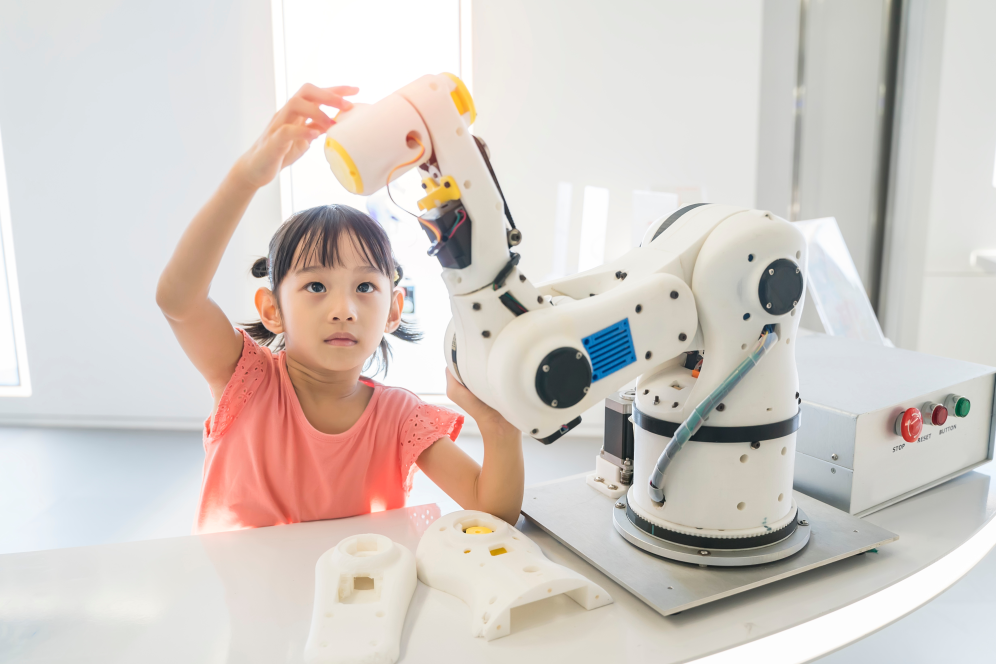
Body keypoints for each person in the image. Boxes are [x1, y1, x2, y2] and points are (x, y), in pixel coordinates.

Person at [156, 84, 524, 534]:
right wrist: (248, 177)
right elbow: (178, 299)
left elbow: (495, 514)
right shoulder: (246, 381)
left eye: (366, 286)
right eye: (315, 285)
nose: (344, 308)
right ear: (272, 310)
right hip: (244, 600)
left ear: (394, 310)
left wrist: (500, 426)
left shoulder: (400, 418)